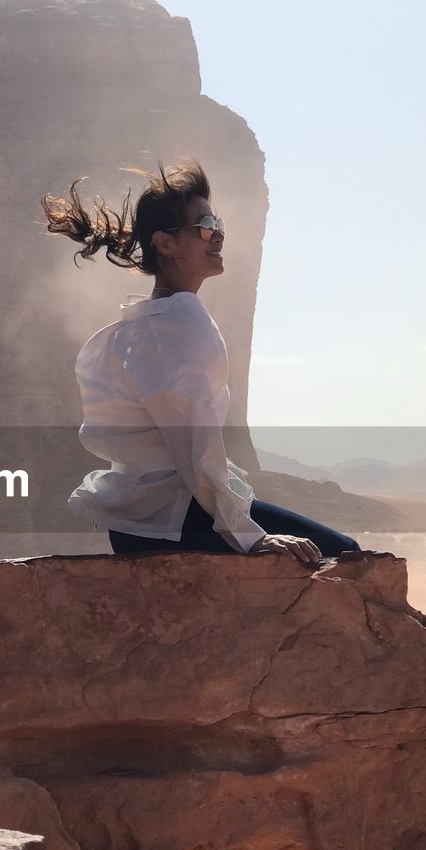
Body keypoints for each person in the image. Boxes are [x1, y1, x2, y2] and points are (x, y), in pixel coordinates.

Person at [41, 160, 359, 565]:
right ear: (166, 243)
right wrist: (250, 536)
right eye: (204, 225)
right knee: (344, 555)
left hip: (147, 521)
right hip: (174, 518)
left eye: (218, 222)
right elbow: (194, 443)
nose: (218, 234)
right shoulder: (177, 322)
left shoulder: (145, 324)